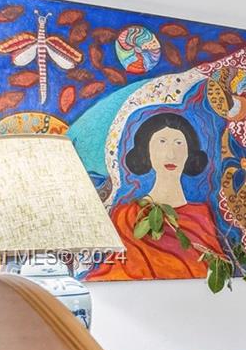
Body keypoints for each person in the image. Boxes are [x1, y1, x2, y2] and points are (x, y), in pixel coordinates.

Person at [86, 111, 222, 280]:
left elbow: (218, 273)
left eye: (179, 143)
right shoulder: (126, 216)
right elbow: (113, 272)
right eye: (162, 143)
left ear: (189, 153)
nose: (171, 154)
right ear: (146, 152)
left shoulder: (201, 216)